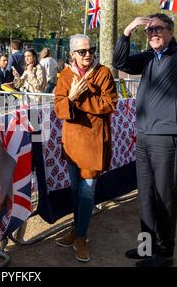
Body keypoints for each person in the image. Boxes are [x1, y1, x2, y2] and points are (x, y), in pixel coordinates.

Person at [113, 13, 177, 267]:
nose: (153, 34)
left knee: (164, 195)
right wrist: (127, 31)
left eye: (159, 29)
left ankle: (164, 254)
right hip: (144, 135)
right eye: (149, 30)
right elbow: (120, 61)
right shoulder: (148, 57)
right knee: (146, 195)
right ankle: (146, 247)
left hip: (167, 136)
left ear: (170, 32)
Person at [54, 34, 118, 263]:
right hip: (72, 142)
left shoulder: (103, 73)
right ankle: (76, 228)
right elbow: (59, 109)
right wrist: (69, 97)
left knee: (87, 192)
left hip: (93, 142)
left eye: (91, 50)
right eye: (82, 51)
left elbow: (109, 104)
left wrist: (78, 99)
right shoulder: (65, 75)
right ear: (72, 54)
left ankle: (81, 237)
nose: (88, 54)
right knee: (74, 191)